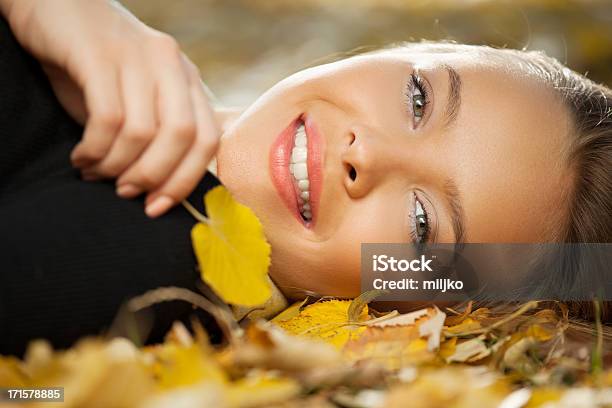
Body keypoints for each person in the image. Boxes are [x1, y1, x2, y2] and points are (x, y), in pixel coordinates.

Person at [0, 0, 610, 355]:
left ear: (417, 312)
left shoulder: (143, 263)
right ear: (408, 44)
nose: (363, 155)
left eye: (424, 225)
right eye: (419, 98)